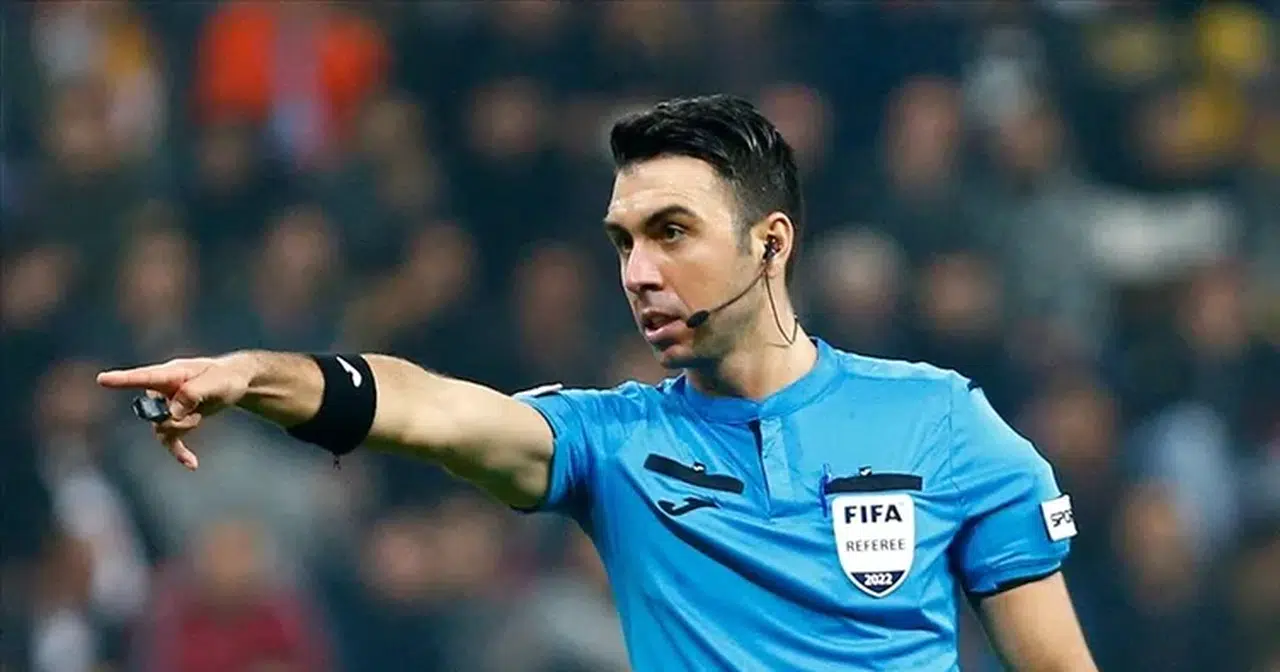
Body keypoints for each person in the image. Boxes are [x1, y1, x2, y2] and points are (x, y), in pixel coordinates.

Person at [97, 95, 1097, 671]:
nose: (638, 273)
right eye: (623, 242)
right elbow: (426, 409)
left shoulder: (942, 423)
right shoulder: (612, 444)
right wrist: (255, 374)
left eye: (671, 233)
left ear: (770, 243)